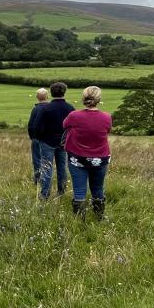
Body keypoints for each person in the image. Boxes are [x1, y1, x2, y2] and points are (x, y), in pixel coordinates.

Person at [62, 86, 112, 220]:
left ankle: (79, 221)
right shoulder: (107, 117)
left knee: (79, 190)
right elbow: (107, 130)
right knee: (98, 188)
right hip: (100, 158)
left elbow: (64, 125)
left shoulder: (74, 116)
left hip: (77, 158)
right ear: (99, 99)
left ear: (83, 98)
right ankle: (99, 217)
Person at [32, 82, 75, 200]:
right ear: (64, 92)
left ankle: (45, 194)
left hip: (47, 142)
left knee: (47, 167)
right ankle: (62, 192)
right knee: (62, 167)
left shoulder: (45, 108)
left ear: (51, 93)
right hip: (63, 143)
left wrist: (40, 138)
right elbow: (74, 127)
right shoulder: (70, 108)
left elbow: (36, 126)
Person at [26, 87, 50, 184]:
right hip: (49, 138)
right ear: (47, 96)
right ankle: (47, 179)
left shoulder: (35, 109)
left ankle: (38, 180)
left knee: (37, 159)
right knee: (48, 160)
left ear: (37, 97)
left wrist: (32, 137)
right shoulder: (50, 108)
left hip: (37, 138)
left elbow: (30, 125)